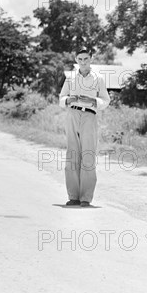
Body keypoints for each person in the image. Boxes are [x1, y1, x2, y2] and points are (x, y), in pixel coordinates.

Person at [58, 49, 110, 207]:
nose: (83, 61)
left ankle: (86, 198)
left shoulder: (98, 78)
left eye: (86, 58)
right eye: (80, 59)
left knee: (88, 154)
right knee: (72, 153)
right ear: (76, 59)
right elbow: (61, 98)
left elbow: (105, 100)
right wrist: (69, 99)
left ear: (91, 59)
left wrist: (93, 101)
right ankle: (73, 196)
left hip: (89, 115)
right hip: (72, 114)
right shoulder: (70, 77)